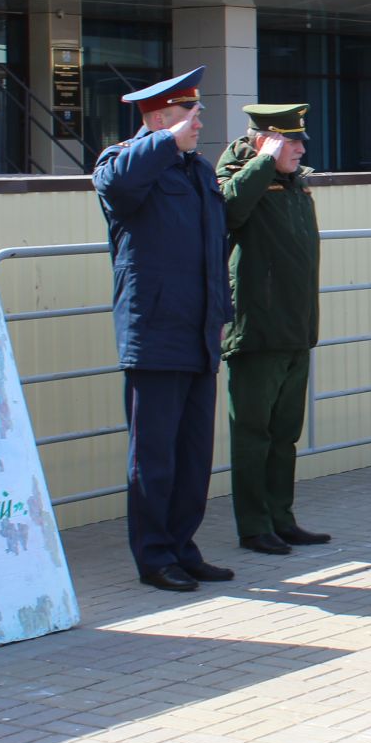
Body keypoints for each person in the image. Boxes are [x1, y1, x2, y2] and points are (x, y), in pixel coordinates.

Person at [92, 67, 235, 593]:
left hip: (198, 332)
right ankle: (154, 555)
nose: (198, 124)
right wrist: (162, 142)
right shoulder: (123, 162)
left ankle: (183, 546)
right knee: (154, 456)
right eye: (187, 115)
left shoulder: (196, 171)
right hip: (153, 333)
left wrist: (223, 315)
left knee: (193, 454)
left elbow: (213, 252)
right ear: (157, 118)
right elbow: (119, 185)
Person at [216, 103, 326, 558]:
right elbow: (229, 211)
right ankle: (254, 525)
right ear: (265, 141)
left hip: (296, 331)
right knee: (253, 434)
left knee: (285, 434)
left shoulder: (294, 185)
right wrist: (262, 161)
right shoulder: (243, 179)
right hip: (258, 333)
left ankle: (282, 518)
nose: (300, 149)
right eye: (291, 141)